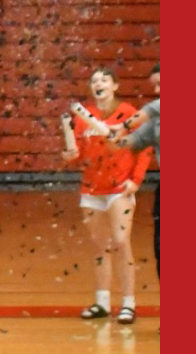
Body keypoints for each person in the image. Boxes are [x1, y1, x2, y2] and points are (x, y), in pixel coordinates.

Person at [62, 67, 151, 324]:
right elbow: (76, 154)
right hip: (91, 190)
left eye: (104, 80)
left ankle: (128, 303)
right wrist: (69, 153)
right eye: (94, 81)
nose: (98, 83)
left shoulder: (129, 114)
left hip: (119, 189)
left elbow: (143, 150)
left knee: (121, 241)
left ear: (115, 85)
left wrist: (135, 181)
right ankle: (102, 302)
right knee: (100, 246)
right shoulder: (83, 116)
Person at [114, 65, 159, 267]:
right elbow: (134, 141)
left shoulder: (156, 108)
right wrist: (112, 139)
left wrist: (122, 126)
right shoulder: (157, 120)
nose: (157, 91)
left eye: (160, 84)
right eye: (155, 86)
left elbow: (150, 109)